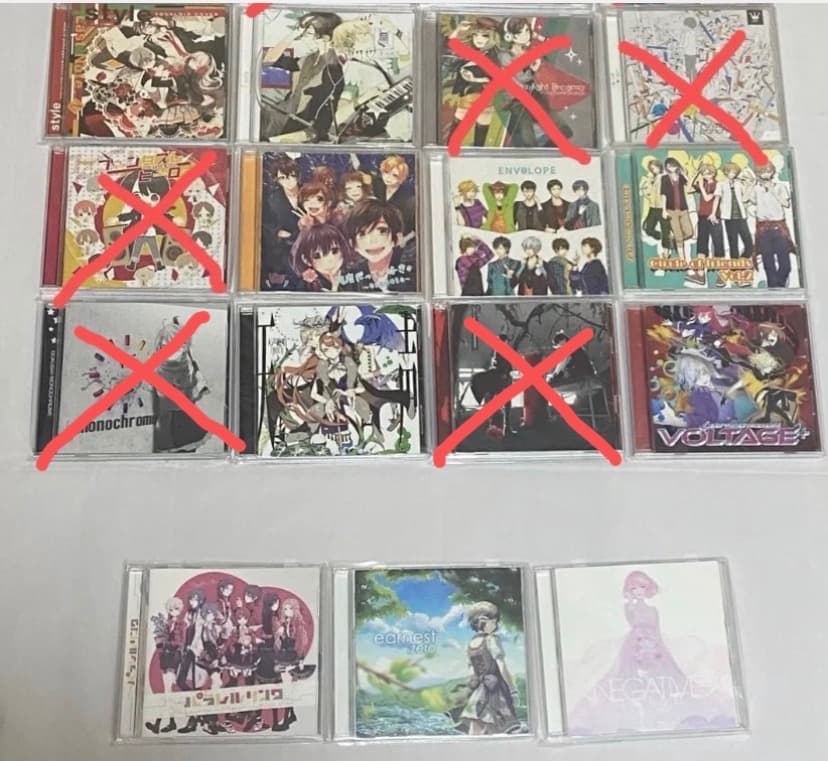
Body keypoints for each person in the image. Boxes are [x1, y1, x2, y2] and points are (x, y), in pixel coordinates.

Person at [261, 12, 345, 143]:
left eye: (308, 33)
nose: (301, 38)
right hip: (276, 120)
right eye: (302, 32)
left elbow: (324, 119)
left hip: (298, 131)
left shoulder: (332, 71)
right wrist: (293, 34)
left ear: (325, 38)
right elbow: (268, 63)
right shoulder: (304, 59)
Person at [458, 602, 520, 735]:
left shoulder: (470, 644)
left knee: (477, 725)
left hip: (478, 690)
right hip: (495, 691)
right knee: (494, 726)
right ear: (483, 621)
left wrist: (475, 685)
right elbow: (502, 667)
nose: (496, 625)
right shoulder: (492, 640)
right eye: (494, 622)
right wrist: (512, 690)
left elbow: (471, 671)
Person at [445, 17, 501, 145]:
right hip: (467, 98)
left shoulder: (495, 56)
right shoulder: (470, 51)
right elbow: (450, 44)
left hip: (484, 100)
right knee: (453, 139)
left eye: (484, 36)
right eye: (476, 35)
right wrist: (458, 29)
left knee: (478, 141)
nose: (479, 39)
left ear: (492, 37)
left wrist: (475, 79)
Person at [343, 199, 415, 292]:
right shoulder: (351, 275)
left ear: (397, 237)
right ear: (352, 243)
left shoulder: (412, 265)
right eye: (362, 234)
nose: (372, 241)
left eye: (382, 231)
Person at [749, 163, 795, 288]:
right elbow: (749, 200)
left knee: (785, 264)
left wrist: (772, 190)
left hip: (778, 226)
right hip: (763, 228)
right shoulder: (756, 189)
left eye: (768, 171)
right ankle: (773, 288)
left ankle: (779, 284)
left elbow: (786, 204)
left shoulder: (780, 187)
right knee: (768, 263)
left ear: (772, 172)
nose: (765, 174)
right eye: (762, 172)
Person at [290, 224, 355, 292]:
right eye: (317, 256)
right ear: (306, 260)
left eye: (334, 251)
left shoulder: (355, 272)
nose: (329, 260)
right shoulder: (305, 286)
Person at [719, 162, 754, 263]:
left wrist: (750, 186)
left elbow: (745, 199)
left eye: (734, 172)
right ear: (726, 172)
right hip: (729, 217)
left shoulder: (739, 184)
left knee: (748, 242)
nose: (732, 174)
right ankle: (734, 265)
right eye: (730, 172)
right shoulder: (721, 184)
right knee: (733, 242)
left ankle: (744, 258)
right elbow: (717, 199)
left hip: (741, 216)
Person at [660, 157, 694, 261]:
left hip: (683, 209)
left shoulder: (681, 177)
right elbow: (663, 195)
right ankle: (682, 260)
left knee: (689, 232)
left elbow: (690, 187)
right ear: (666, 167)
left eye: (674, 165)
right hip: (671, 210)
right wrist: (664, 210)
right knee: (679, 236)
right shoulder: (664, 178)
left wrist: (685, 175)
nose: (672, 167)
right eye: (669, 166)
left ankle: (673, 239)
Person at [639, 160, 671, 255]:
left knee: (665, 229)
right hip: (653, 207)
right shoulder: (653, 178)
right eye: (651, 169)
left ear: (658, 166)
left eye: (653, 168)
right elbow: (648, 192)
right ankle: (664, 238)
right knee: (648, 228)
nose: (652, 170)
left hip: (663, 207)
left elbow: (666, 193)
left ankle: (666, 250)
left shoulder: (665, 177)